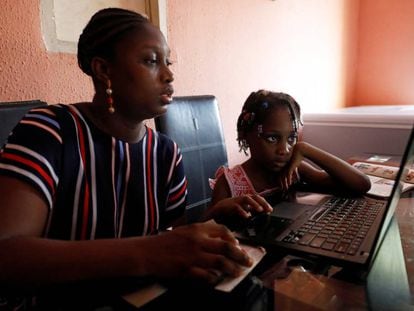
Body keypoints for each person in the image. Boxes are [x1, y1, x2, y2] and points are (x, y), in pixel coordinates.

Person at [0, 8, 271, 309]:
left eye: (167, 61)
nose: (169, 74)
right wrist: (149, 253)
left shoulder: (166, 153)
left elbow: (170, 239)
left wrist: (212, 219)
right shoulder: (52, 130)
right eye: (150, 61)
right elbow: (7, 254)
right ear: (104, 70)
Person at [210, 90, 371, 212]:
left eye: (291, 139)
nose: (284, 150)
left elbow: (362, 184)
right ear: (246, 136)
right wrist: (220, 211)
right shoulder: (229, 184)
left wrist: (305, 149)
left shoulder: (293, 170)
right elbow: (203, 228)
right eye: (272, 138)